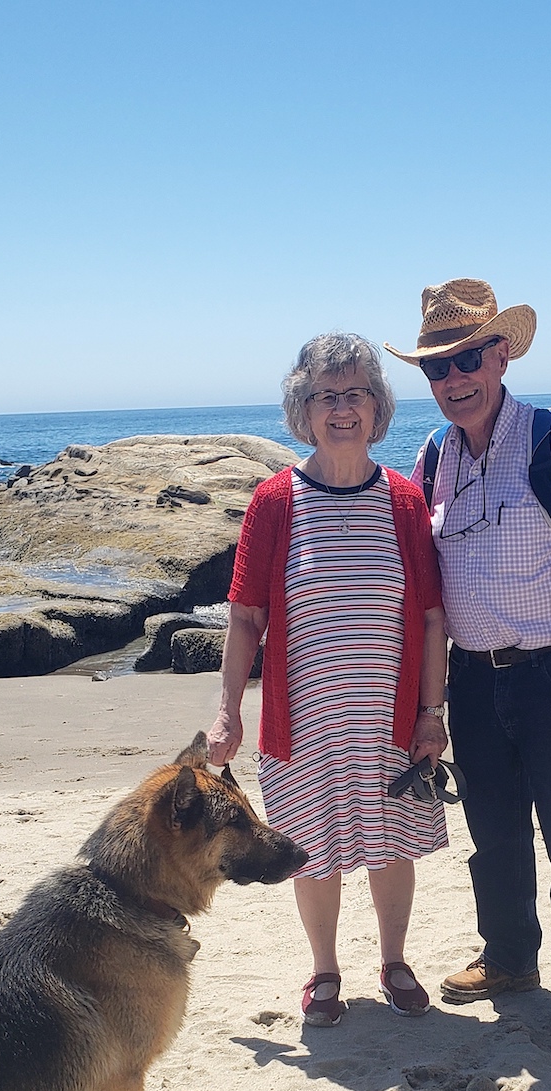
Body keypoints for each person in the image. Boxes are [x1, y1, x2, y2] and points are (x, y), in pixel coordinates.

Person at [386, 279, 551, 1030]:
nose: (453, 379)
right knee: (493, 837)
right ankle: (508, 957)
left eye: (467, 357)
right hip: (471, 683)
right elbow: (419, 580)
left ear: (500, 355)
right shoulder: (432, 455)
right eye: (437, 367)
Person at [207, 333, 449, 1028]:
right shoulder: (273, 502)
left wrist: (431, 713)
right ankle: (323, 971)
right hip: (303, 722)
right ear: (302, 410)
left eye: (356, 394)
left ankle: (395, 961)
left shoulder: (404, 501)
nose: (342, 409)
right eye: (325, 396)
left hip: (390, 719)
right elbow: (246, 617)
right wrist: (227, 711)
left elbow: (432, 620)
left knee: (391, 844)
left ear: (377, 408)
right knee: (311, 852)